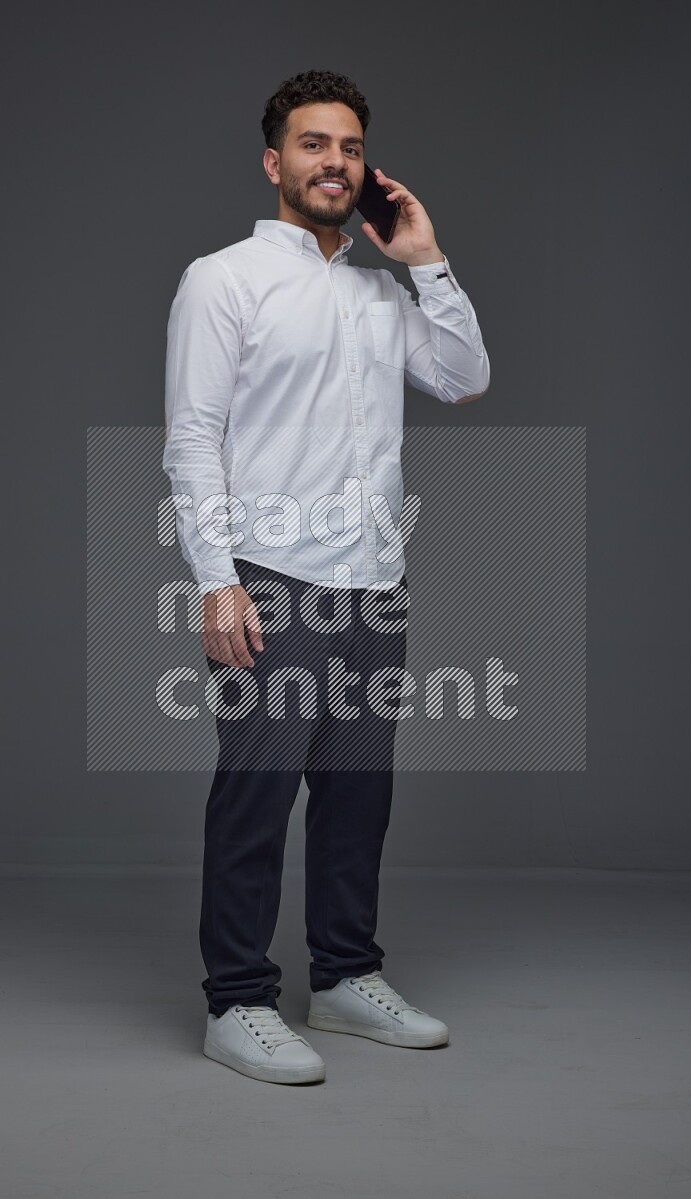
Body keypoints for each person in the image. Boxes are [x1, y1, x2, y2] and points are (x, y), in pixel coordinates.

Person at [162, 69, 490, 1085]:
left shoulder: (380, 286)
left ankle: (344, 976)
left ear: (364, 164)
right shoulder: (223, 280)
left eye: (346, 146)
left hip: (371, 577)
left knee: (357, 791)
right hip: (269, 573)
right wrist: (216, 578)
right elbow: (192, 435)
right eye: (311, 144)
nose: (331, 162)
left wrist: (427, 258)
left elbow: (464, 377)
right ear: (274, 162)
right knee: (256, 791)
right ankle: (237, 1000)